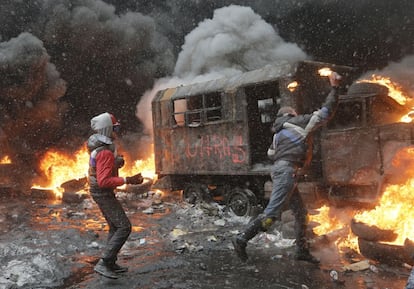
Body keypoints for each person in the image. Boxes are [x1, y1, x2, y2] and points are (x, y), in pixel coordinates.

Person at [232, 71, 342, 264]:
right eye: (295, 113)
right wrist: (334, 88)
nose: (297, 114)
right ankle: (242, 239)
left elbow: (270, 154)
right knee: (272, 213)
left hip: (282, 171)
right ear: (290, 114)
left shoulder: (278, 133)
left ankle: (301, 250)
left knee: (301, 213)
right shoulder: (297, 122)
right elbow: (325, 113)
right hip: (287, 172)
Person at [87, 112, 144, 279]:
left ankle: (110, 262)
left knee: (115, 226)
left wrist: (115, 162)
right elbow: (104, 181)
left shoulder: (100, 146)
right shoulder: (104, 151)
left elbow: (99, 167)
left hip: (99, 191)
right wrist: (128, 179)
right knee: (124, 227)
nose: (116, 132)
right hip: (102, 193)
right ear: (107, 129)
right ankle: (104, 263)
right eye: (114, 128)